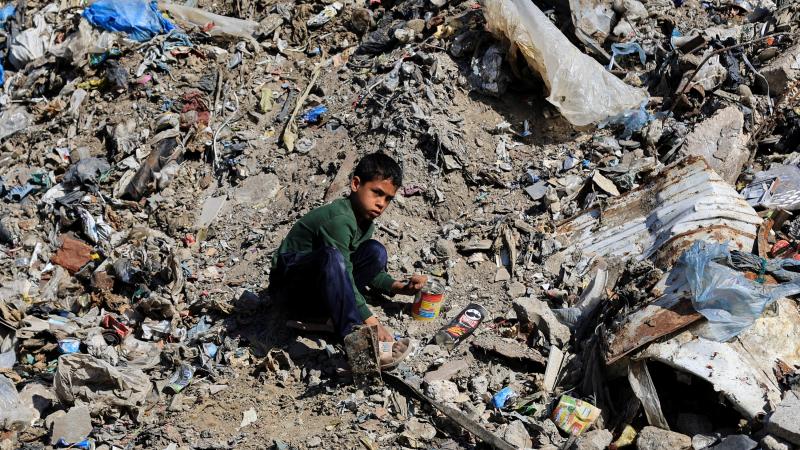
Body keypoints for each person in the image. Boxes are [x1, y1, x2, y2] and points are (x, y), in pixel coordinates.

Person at [269, 152, 427, 346]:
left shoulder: (365, 223)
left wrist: (399, 287)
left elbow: (350, 267)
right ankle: (352, 334)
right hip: (290, 292)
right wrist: (370, 320)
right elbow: (340, 265)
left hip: (319, 288)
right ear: (355, 184)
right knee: (331, 256)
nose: (381, 204)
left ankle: (328, 317)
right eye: (377, 193)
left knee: (375, 251)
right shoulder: (339, 219)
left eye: (388, 199)